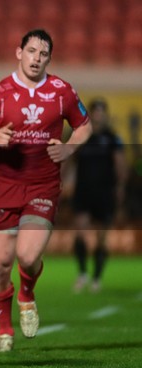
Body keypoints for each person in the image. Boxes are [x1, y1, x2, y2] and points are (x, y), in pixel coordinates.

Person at [0, 29, 92, 352]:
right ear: (18, 52)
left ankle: (26, 293)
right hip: (5, 187)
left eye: (44, 53)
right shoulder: (0, 93)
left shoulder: (62, 90)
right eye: (32, 51)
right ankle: (4, 331)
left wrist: (68, 149)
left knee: (27, 254)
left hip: (43, 185)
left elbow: (84, 125)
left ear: (49, 58)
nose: (37, 58)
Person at [72, 98, 127, 293]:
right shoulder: (81, 137)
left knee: (102, 238)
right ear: (91, 114)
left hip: (104, 193)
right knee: (80, 232)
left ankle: (96, 277)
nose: (99, 117)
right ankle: (82, 273)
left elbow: (120, 165)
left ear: (105, 115)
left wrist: (119, 190)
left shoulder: (112, 138)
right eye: (96, 113)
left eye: (102, 113)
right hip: (83, 191)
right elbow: (68, 159)